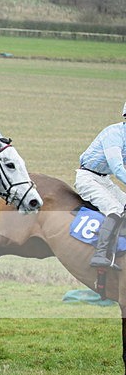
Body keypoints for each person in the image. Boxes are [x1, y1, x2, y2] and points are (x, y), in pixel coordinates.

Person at [75, 102, 126, 270]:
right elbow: (117, 168)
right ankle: (100, 254)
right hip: (87, 178)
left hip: (104, 180)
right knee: (115, 208)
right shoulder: (114, 134)